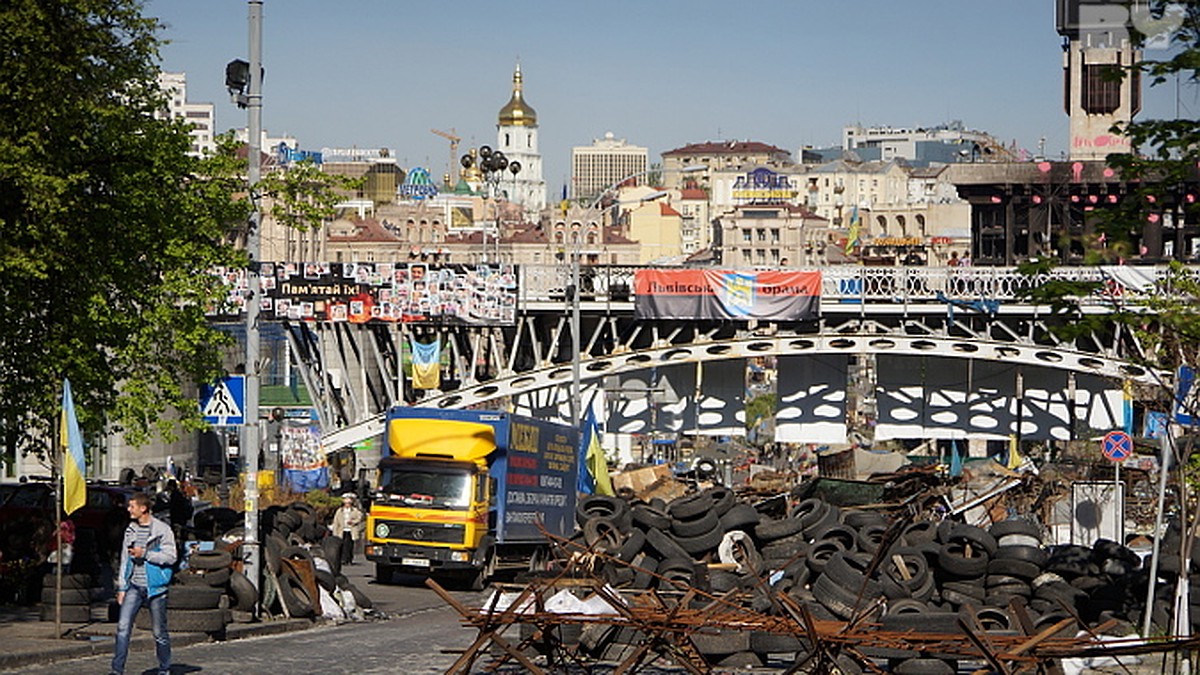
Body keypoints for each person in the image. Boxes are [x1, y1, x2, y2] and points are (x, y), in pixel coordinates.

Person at [111, 492, 176, 675]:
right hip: (134, 586)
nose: (128, 510)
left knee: (159, 633)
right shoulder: (130, 530)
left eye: (132, 506)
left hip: (156, 588)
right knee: (123, 628)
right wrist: (122, 587)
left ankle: (164, 669)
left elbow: (171, 557)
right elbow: (125, 559)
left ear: (143, 508)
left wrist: (146, 554)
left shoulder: (162, 530)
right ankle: (117, 670)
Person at [331, 493, 365, 566]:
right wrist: (335, 532)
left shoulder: (355, 510)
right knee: (342, 545)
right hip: (342, 530)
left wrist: (353, 522)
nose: (347, 505)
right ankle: (343, 559)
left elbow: (360, 517)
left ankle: (349, 559)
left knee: (350, 545)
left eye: (349, 503)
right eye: (346, 503)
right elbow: (336, 521)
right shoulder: (340, 511)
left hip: (351, 530)